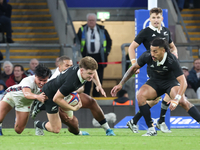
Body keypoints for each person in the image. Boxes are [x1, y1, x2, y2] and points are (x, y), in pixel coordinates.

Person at [111, 38, 200, 136]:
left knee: (183, 101)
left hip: (170, 82)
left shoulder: (172, 60)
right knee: (140, 95)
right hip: (155, 82)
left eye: (155, 51)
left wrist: (176, 99)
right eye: (151, 50)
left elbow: (183, 82)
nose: (152, 53)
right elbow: (133, 68)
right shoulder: (147, 55)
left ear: (163, 51)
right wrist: (121, 84)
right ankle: (151, 129)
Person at [32, 56, 115, 136]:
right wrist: (73, 108)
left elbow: (94, 72)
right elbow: (56, 98)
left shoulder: (85, 70)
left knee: (91, 101)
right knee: (56, 129)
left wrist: (98, 85)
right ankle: (38, 124)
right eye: (89, 73)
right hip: (50, 96)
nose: (91, 76)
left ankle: (107, 129)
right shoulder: (71, 82)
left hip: (66, 93)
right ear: (81, 70)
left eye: (92, 73)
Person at [128, 7, 178, 133]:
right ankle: (159, 122)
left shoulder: (166, 31)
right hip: (155, 69)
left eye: (158, 17)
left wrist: (175, 55)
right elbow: (131, 48)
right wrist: (134, 64)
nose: (156, 20)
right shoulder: (145, 32)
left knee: (157, 99)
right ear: (149, 19)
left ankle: (136, 121)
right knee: (159, 96)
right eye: (153, 17)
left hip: (167, 67)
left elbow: (173, 47)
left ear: (162, 18)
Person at [0, 64, 51, 136]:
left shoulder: (50, 82)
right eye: (40, 80)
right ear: (35, 76)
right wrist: (37, 97)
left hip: (25, 103)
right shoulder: (28, 80)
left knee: (18, 130)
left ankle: (17, 117)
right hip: (11, 96)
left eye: (44, 80)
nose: (42, 83)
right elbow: (26, 94)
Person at [75, 13, 112, 97]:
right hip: (87, 57)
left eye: (92, 20)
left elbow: (109, 41)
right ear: (87, 21)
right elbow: (76, 40)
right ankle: (87, 95)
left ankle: (96, 96)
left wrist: (107, 52)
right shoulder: (82, 30)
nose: (91, 22)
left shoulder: (102, 29)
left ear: (96, 21)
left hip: (99, 57)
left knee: (99, 76)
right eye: (89, 20)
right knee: (87, 77)